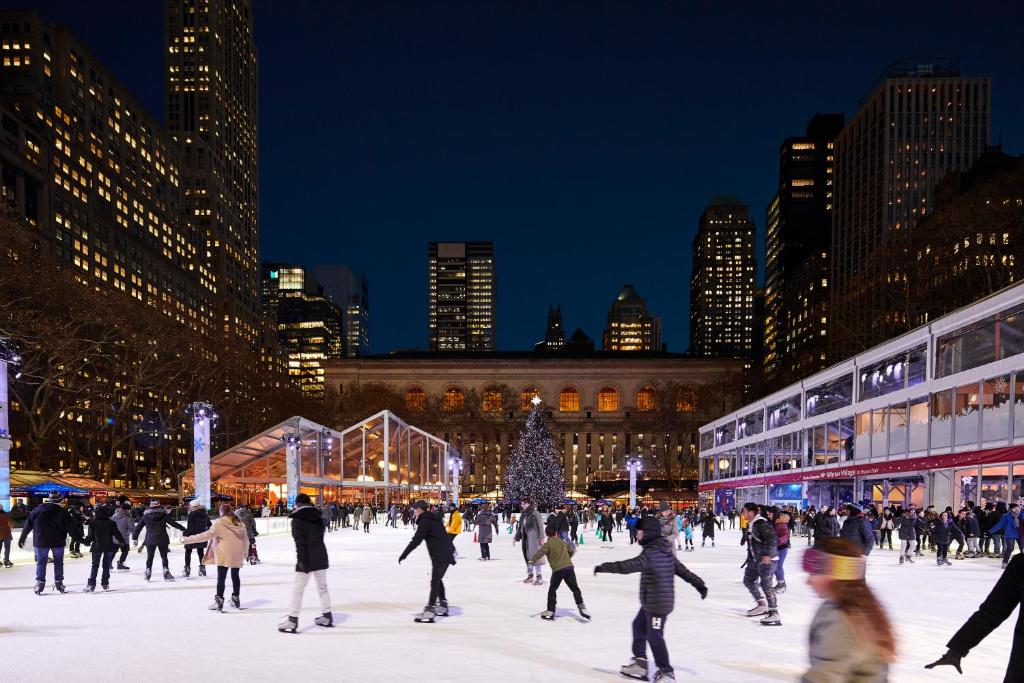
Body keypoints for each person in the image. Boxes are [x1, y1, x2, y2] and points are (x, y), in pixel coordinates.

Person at [594, 516, 707, 683]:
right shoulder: (663, 550)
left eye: (639, 532)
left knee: (654, 637)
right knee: (638, 626)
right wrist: (699, 584)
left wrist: (605, 567)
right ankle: (640, 663)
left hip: (658, 606)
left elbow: (628, 566)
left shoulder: (652, 554)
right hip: (651, 602)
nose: (637, 535)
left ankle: (666, 671)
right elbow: (684, 572)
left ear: (647, 533)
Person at [802, 538, 894, 682]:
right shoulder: (848, 604)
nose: (807, 581)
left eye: (814, 573)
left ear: (835, 575)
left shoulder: (844, 619)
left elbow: (824, 676)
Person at [926, 551, 1024, 681]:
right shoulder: (1021, 565)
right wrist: (958, 648)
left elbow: (992, 612)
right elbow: (993, 611)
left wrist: (957, 649)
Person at [278, 493, 333, 633]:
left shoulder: (298, 519)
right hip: (321, 555)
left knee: (298, 589)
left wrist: (302, 560)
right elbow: (320, 536)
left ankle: (292, 620)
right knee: (323, 588)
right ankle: (327, 616)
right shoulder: (318, 517)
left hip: (307, 557)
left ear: (297, 504)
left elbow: (300, 543)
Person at [181, 504, 249, 612]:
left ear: (221, 512)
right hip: (237, 553)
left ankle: (219, 601)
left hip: (224, 553)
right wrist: (245, 553)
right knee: (235, 576)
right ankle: (236, 598)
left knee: (221, 577)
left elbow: (204, 536)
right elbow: (246, 540)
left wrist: (187, 539)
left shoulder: (219, 523)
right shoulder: (240, 523)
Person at [398, 500, 456, 623]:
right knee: (437, 579)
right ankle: (443, 605)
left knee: (435, 581)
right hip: (446, 553)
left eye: (415, 509)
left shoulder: (425, 522)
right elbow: (445, 536)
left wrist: (404, 554)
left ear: (420, 509)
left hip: (439, 555)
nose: (414, 511)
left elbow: (416, 540)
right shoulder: (435, 519)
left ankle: (430, 610)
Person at [18, 492, 73, 594]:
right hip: (58, 542)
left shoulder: (37, 510)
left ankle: (40, 584)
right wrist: (80, 538)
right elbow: (70, 527)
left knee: (41, 562)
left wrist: (22, 537)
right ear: (60, 500)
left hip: (41, 541)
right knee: (58, 562)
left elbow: (28, 525)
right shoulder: (63, 512)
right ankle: (59, 583)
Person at [531, 526, 589, 620]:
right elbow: (571, 550)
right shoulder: (561, 541)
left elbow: (540, 553)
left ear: (547, 534)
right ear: (556, 534)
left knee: (552, 590)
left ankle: (550, 611)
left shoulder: (548, 544)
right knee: (575, 588)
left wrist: (531, 561)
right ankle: (581, 606)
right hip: (569, 568)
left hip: (558, 570)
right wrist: (567, 558)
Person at [740, 502, 780, 625]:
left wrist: (768, 554)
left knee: (766, 585)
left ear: (751, 513)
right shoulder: (751, 524)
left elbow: (772, 539)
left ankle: (774, 613)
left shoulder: (762, 523)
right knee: (748, 580)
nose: (743, 514)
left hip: (766, 559)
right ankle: (761, 604)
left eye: (744, 511)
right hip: (755, 560)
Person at [132, 500, 186, 581]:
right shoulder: (164, 515)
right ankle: (166, 572)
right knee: (164, 556)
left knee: (150, 556)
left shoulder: (145, 516)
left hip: (150, 538)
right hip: (162, 538)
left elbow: (138, 528)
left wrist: (134, 538)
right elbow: (173, 523)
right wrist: (183, 529)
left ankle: (148, 571)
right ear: (159, 506)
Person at [81, 503, 126, 592]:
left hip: (97, 547)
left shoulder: (93, 523)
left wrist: (85, 542)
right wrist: (122, 541)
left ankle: (91, 584)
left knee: (95, 565)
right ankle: (105, 583)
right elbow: (117, 533)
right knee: (106, 565)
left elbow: (90, 537)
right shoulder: (111, 523)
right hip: (109, 546)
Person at [514, 498, 547, 585]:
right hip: (526, 538)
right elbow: (520, 526)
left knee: (536, 557)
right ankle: (530, 575)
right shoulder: (523, 514)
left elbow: (540, 526)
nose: (522, 505)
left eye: (524, 503)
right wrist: (516, 537)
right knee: (528, 557)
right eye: (522, 504)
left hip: (534, 539)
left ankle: (539, 577)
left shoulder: (535, 513)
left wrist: (542, 538)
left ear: (529, 504)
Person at [988, 502, 1023, 569]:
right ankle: (1005, 562)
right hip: (1010, 534)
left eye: (1017, 508)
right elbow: (999, 525)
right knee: (1010, 548)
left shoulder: (1022, 514)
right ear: (1011, 509)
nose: (1017, 509)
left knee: (1022, 548)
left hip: (1021, 534)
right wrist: (990, 531)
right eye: (1014, 508)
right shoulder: (1006, 516)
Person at [183, 499, 212, 578]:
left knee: (188, 551)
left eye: (190, 505)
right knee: (200, 552)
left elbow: (190, 527)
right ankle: (202, 569)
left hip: (192, 536)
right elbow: (210, 524)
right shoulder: (204, 514)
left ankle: (187, 569)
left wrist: (185, 533)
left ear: (193, 506)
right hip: (202, 536)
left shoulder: (191, 514)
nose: (189, 507)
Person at [111, 502, 135, 570]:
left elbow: (110, 525)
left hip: (115, 537)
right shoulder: (128, 517)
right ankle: (120, 563)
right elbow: (132, 529)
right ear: (127, 510)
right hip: (124, 538)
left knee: (113, 551)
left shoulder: (114, 516)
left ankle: (108, 563)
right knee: (125, 551)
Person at [773, 508, 791, 594]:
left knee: (778, 566)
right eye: (782, 516)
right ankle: (780, 583)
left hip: (782, 548)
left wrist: (777, 541)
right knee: (775, 566)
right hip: (777, 547)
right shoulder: (777, 523)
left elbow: (785, 537)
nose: (783, 518)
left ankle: (782, 584)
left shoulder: (783, 525)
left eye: (785, 517)